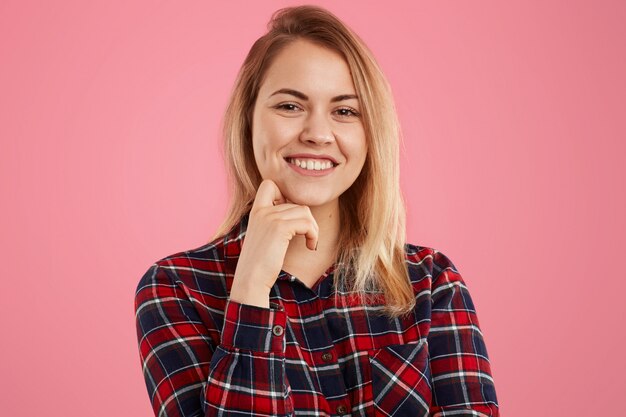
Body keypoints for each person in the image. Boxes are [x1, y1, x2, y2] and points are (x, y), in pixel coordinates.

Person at [134, 5, 499, 417]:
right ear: (249, 121)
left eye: (345, 111)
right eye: (290, 106)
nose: (318, 134)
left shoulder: (431, 283)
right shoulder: (175, 290)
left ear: (370, 132)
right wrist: (251, 288)